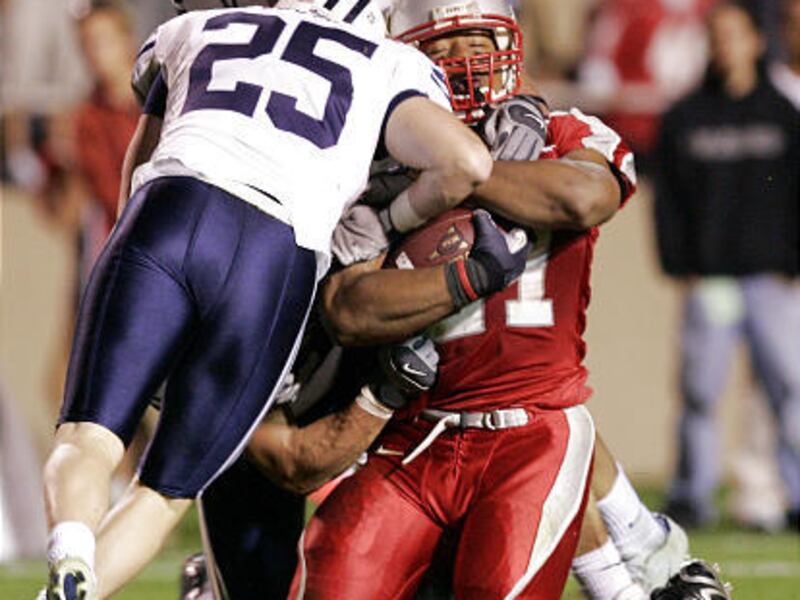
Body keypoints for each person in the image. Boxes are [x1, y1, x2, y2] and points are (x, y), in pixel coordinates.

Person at [39, 1, 494, 598]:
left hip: (167, 210)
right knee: (165, 490)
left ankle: (70, 551)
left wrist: (137, 278)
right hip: (274, 255)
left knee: (87, 439)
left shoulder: (194, 28)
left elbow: (140, 162)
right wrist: (383, 225)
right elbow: (466, 163)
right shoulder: (391, 63)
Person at [289, 1, 642, 597]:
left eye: (477, 41)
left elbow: (581, 200)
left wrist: (459, 171)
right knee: (331, 574)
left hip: (530, 433)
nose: (464, 61)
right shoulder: (377, 156)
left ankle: (642, 562)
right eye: (443, 48)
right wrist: (460, 274)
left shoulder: (562, 132)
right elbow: (348, 310)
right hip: (414, 432)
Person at [654, 0, 800, 530]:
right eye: (715, 35)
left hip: (771, 279)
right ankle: (692, 496)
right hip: (712, 279)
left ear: (757, 41)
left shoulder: (782, 114)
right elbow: (667, 201)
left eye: (734, 35)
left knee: (790, 391)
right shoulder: (685, 116)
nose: (724, 46)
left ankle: (796, 496)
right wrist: (679, 264)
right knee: (699, 390)